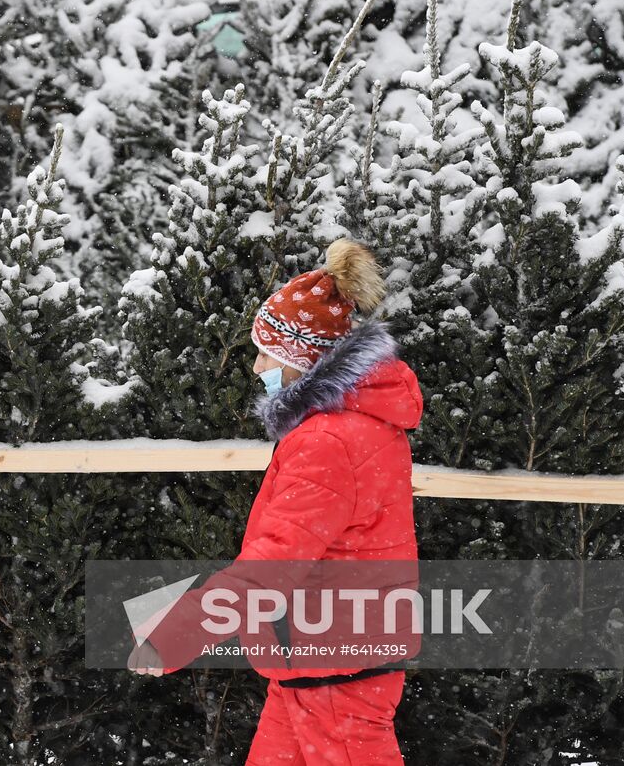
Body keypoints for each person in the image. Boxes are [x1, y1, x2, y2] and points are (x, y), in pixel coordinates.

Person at [127, 238, 424, 766]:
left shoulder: (327, 442)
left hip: (333, 677)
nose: (257, 366)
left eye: (266, 352)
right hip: (313, 668)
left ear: (300, 361)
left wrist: (175, 635)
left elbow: (273, 566)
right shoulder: (356, 427)